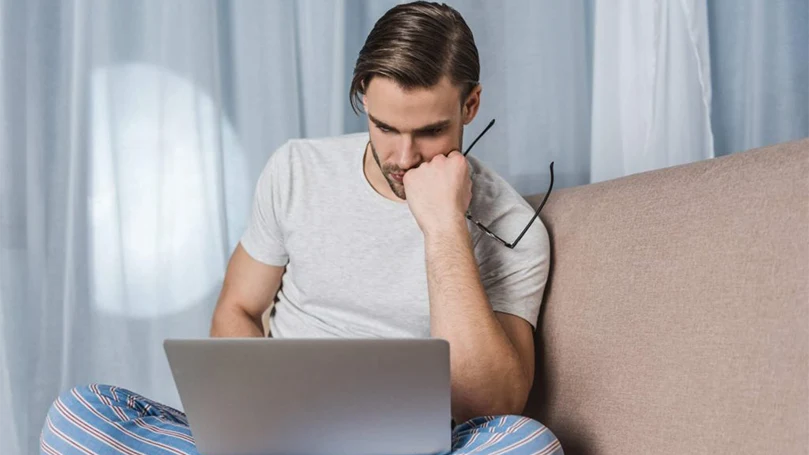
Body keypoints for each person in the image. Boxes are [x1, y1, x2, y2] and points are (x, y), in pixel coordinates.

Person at [40, 2, 562, 454]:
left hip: (415, 446)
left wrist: (444, 227)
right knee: (78, 416)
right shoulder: (296, 169)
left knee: (528, 446)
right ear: (363, 97)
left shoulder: (514, 228)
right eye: (385, 128)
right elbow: (238, 309)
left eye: (429, 132)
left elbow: (491, 404)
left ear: (470, 105)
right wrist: (259, 421)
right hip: (277, 438)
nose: (404, 158)